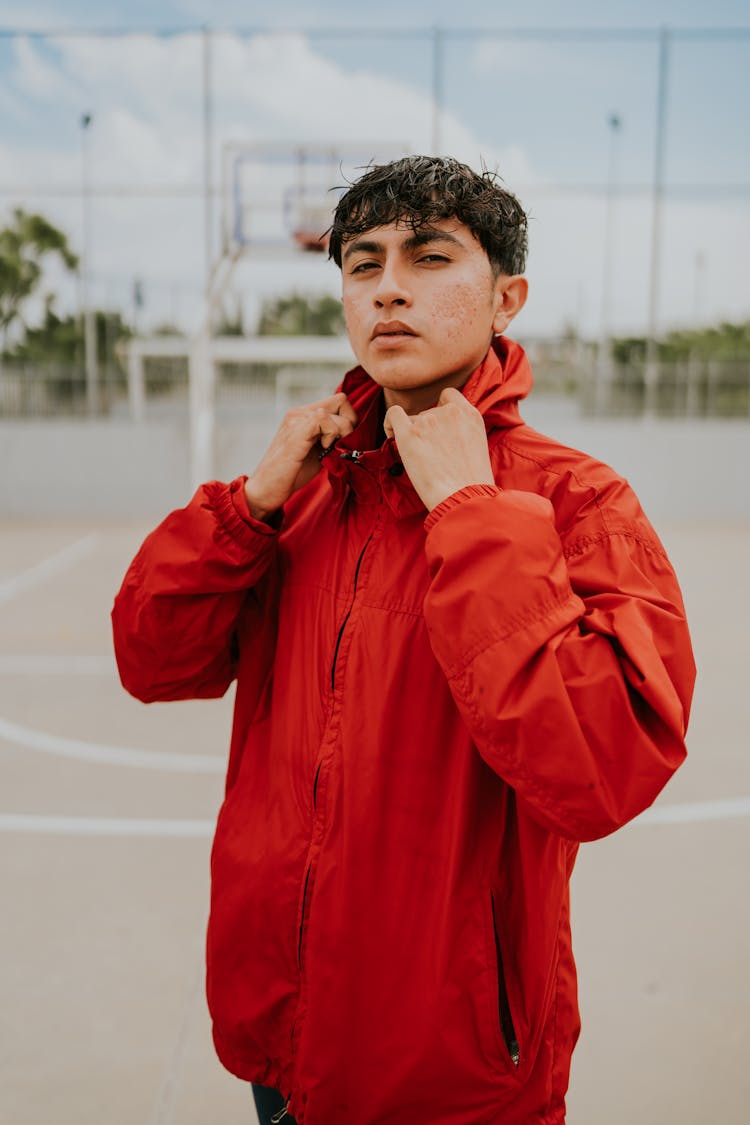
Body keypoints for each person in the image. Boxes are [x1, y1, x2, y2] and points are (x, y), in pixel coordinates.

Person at [112, 156, 695, 1125]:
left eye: (429, 258)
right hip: (280, 1037)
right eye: (362, 263)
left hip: (453, 1069)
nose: (388, 287)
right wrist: (249, 507)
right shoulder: (305, 489)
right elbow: (151, 660)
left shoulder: (577, 502)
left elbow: (602, 768)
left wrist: (471, 510)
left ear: (507, 298)